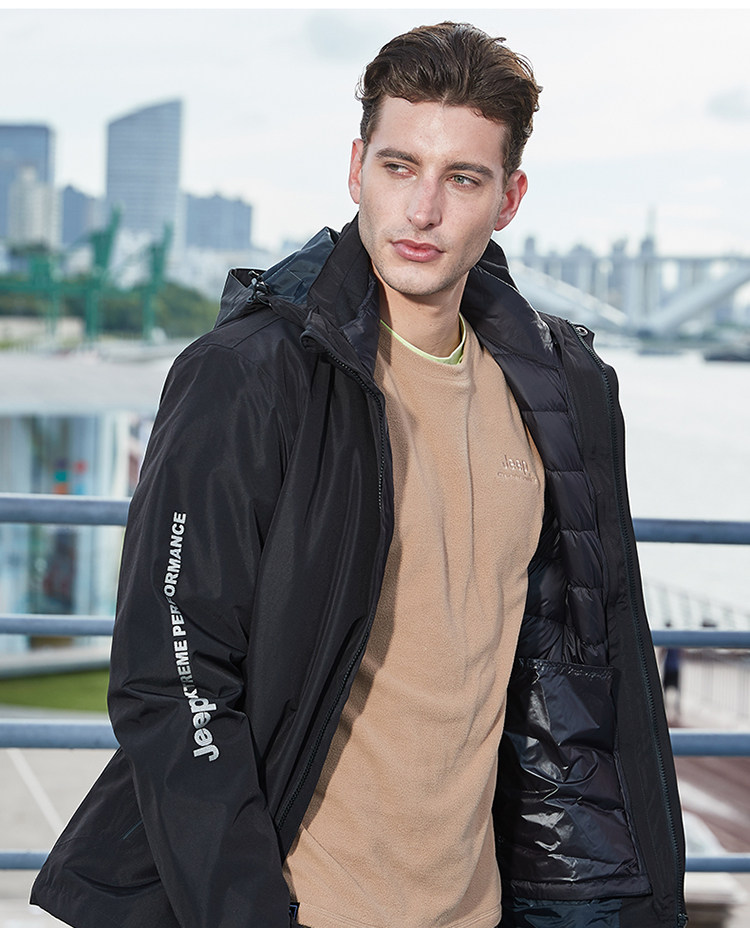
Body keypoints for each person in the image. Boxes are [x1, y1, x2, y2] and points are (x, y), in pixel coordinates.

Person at [31, 22, 686, 928]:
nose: (422, 210)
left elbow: (585, 675)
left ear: (509, 198)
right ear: (355, 169)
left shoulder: (565, 393)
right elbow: (170, 675)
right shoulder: (250, 377)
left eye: (463, 178)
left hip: (480, 910)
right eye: (398, 166)